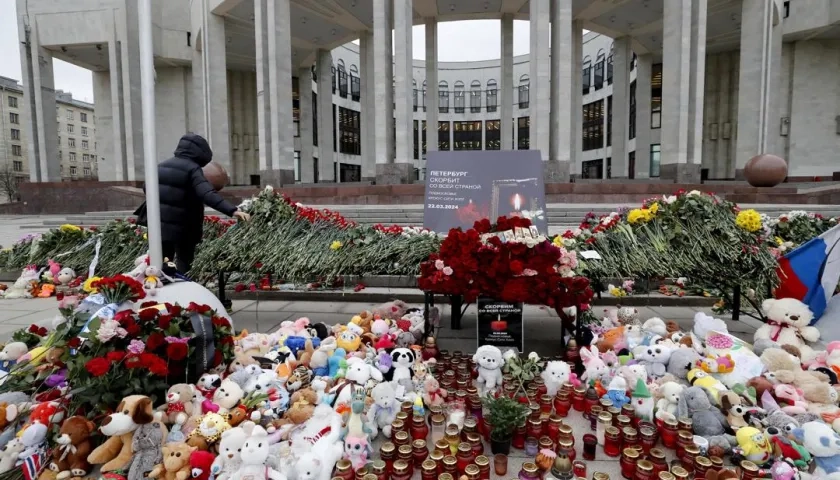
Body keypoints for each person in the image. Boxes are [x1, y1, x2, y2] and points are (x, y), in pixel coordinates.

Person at [156, 133, 249, 272]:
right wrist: (232, 210)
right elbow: (207, 193)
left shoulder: (160, 166)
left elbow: (147, 189)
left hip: (160, 225)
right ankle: (184, 290)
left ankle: (161, 290)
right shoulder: (192, 169)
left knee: (162, 263)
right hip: (184, 226)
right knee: (184, 263)